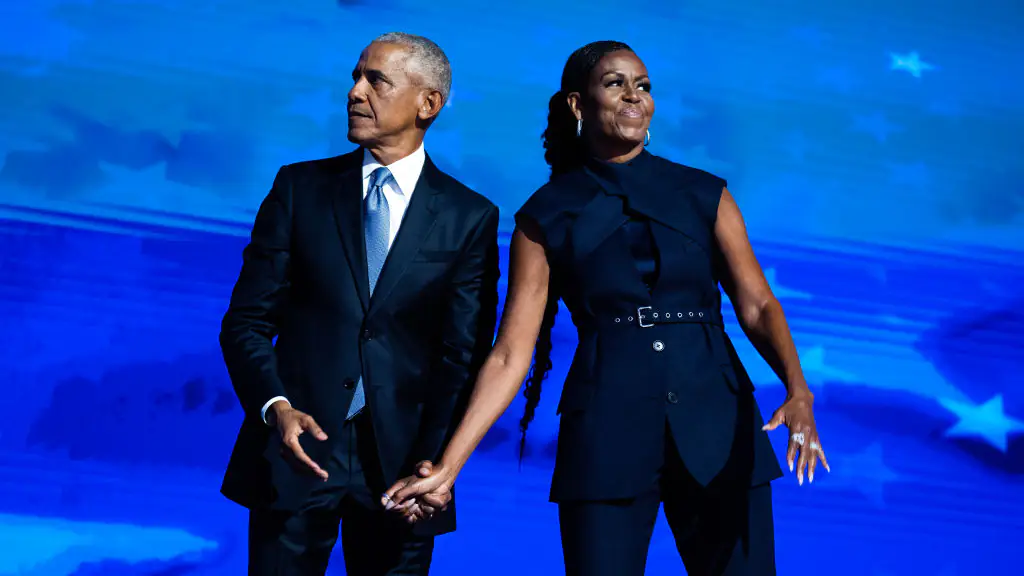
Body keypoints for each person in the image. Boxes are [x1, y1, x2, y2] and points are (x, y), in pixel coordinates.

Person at [384, 40, 829, 575]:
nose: (634, 96)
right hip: (605, 434)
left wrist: (797, 390)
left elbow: (757, 304)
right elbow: (509, 355)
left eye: (643, 86)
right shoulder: (544, 215)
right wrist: (449, 467)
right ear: (578, 104)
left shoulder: (704, 192)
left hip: (719, 422)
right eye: (616, 83)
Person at [219, 32, 500, 576]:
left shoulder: (470, 217)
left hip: (403, 475)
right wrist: (275, 407)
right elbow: (246, 323)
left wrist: (438, 464)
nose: (354, 92)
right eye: (355, 76)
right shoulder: (299, 189)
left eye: (376, 80)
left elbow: (461, 355)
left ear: (428, 104)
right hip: (295, 459)